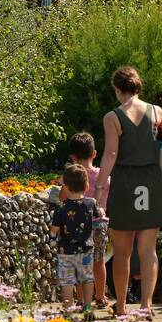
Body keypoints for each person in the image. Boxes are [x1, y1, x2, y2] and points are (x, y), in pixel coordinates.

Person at [95, 65, 162, 318]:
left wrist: (98, 188)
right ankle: (146, 305)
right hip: (152, 181)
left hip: (125, 183)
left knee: (122, 252)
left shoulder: (113, 117)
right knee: (148, 250)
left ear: (117, 89)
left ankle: (120, 307)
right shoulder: (156, 111)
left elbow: (111, 154)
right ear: (137, 86)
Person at [51, 163, 102, 317]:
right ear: (86, 186)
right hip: (86, 250)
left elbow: (54, 229)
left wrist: (53, 236)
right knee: (87, 278)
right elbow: (99, 216)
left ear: (65, 187)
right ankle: (87, 307)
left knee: (67, 281)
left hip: (65, 251)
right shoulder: (90, 203)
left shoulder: (60, 207)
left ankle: (68, 310)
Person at [67, 131, 110, 308]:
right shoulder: (105, 177)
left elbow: (63, 197)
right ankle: (100, 296)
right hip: (100, 223)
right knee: (99, 261)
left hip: (77, 223)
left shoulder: (71, 175)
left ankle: (82, 299)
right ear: (94, 154)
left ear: (73, 157)